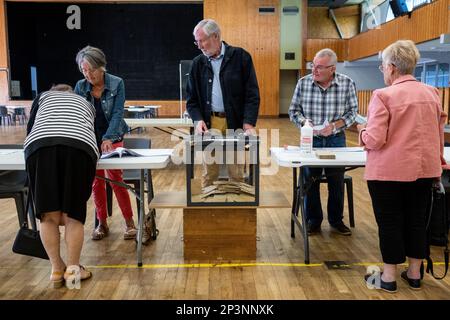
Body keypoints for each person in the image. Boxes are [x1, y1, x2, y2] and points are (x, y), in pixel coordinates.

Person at [358, 40, 446, 293]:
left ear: (393, 67)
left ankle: (388, 277)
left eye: (383, 66)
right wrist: (438, 167)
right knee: (417, 222)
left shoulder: (383, 95)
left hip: (388, 172)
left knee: (390, 222)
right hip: (424, 170)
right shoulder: (432, 93)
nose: (383, 71)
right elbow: (437, 136)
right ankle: (415, 273)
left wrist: (362, 132)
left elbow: (375, 139)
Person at [24, 84, 98, 288]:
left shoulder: (42, 98)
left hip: (40, 147)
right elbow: (93, 131)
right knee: (73, 215)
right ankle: (73, 271)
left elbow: (30, 129)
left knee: (48, 215)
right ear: (70, 93)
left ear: (53, 91)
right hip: (78, 147)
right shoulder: (84, 102)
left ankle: (56, 269)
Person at [288, 48, 358, 236]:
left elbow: (352, 113)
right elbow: (293, 111)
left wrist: (335, 125)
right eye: (313, 65)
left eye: (319, 67)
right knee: (310, 181)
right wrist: (305, 122)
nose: (314, 70)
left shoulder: (347, 84)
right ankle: (313, 221)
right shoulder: (303, 84)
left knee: (336, 182)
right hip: (310, 140)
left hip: (336, 140)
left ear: (332, 68)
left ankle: (336, 220)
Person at [186, 19, 260, 189]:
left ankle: (238, 212)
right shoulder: (198, 63)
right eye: (196, 41)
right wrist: (198, 120)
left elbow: (252, 94)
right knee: (209, 174)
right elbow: (191, 100)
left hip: (235, 122)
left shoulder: (241, 57)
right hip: (210, 122)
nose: (199, 46)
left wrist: (248, 123)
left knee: (236, 173)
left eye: (202, 40)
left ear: (216, 36)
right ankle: (208, 211)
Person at [74, 45, 137, 240]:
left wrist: (108, 138)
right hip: (91, 139)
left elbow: (118, 113)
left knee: (115, 178)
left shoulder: (117, 83)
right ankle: (102, 223)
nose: (88, 74)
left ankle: (129, 222)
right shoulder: (80, 86)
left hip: (113, 136)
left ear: (101, 67)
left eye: (91, 70)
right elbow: (79, 115)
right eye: (84, 70)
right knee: (96, 181)